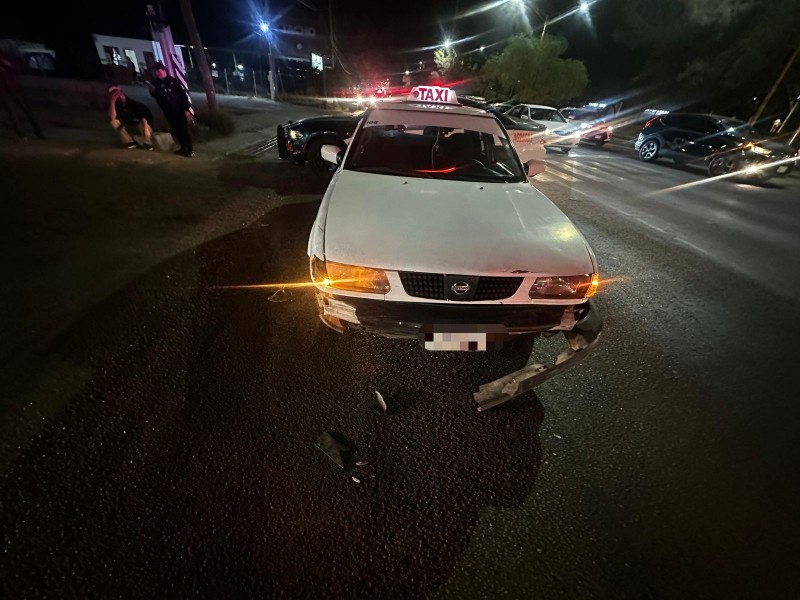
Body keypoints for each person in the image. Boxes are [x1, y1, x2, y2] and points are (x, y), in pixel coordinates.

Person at [147, 61, 194, 157]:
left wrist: (186, 109)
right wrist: (152, 91)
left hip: (179, 109)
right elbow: (155, 95)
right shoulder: (155, 83)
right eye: (155, 71)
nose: (157, 73)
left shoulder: (173, 81)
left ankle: (190, 149)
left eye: (159, 71)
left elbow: (183, 95)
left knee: (183, 129)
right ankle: (183, 147)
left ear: (164, 70)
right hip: (167, 110)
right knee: (175, 129)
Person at [0, 48, 44, 140]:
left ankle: (35, 132)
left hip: (13, 87)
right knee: (13, 111)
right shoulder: (4, 54)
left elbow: (15, 67)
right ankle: (23, 134)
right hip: (5, 89)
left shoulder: (4, 54)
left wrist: (7, 65)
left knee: (25, 110)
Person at [107, 85, 154, 150]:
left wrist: (146, 128)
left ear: (121, 92)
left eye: (116, 92)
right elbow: (112, 117)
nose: (116, 95)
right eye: (113, 93)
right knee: (113, 122)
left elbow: (143, 118)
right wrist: (112, 101)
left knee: (145, 125)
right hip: (130, 125)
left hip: (142, 126)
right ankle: (130, 142)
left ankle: (147, 143)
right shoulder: (117, 105)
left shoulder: (134, 104)